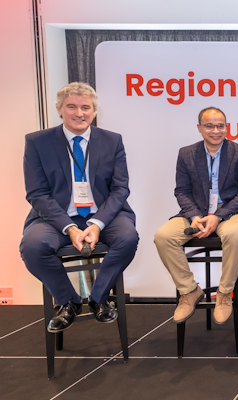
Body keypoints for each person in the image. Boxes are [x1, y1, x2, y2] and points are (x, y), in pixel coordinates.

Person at [20, 82, 139, 333]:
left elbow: (120, 190)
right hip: (55, 218)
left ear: (94, 111)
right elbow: (37, 193)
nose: (79, 113)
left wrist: (96, 224)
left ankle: (98, 298)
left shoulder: (112, 141)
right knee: (32, 246)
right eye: (71, 106)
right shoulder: (37, 142)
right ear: (59, 109)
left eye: (86, 107)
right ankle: (69, 301)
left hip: (103, 214)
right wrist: (70, 227)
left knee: (128, 238)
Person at [154, 107, 238, 324]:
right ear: (199, 128)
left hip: (231, 213)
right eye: (209, 125)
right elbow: (181, 190)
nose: (215, 130)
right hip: (195, 214)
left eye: (220, 125)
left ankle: (224, 293)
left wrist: (218, 216)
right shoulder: (186, 153)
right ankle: (190, 290)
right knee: (163, 236)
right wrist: (193, 216)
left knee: (237, 235)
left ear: (227, 128)